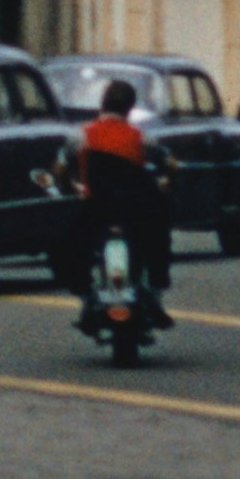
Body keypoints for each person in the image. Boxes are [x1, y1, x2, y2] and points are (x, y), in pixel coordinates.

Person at [66, 69, 172, 350]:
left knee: (72, 248)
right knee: (159, 241)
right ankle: (156, 297)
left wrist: (69, 183)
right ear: (129, 108)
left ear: (102, 104)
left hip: (97, 210)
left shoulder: (82, 136)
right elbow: (168, 164)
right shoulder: (141, 138)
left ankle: (87, 298)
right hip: (134, 212)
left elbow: (62, 166)